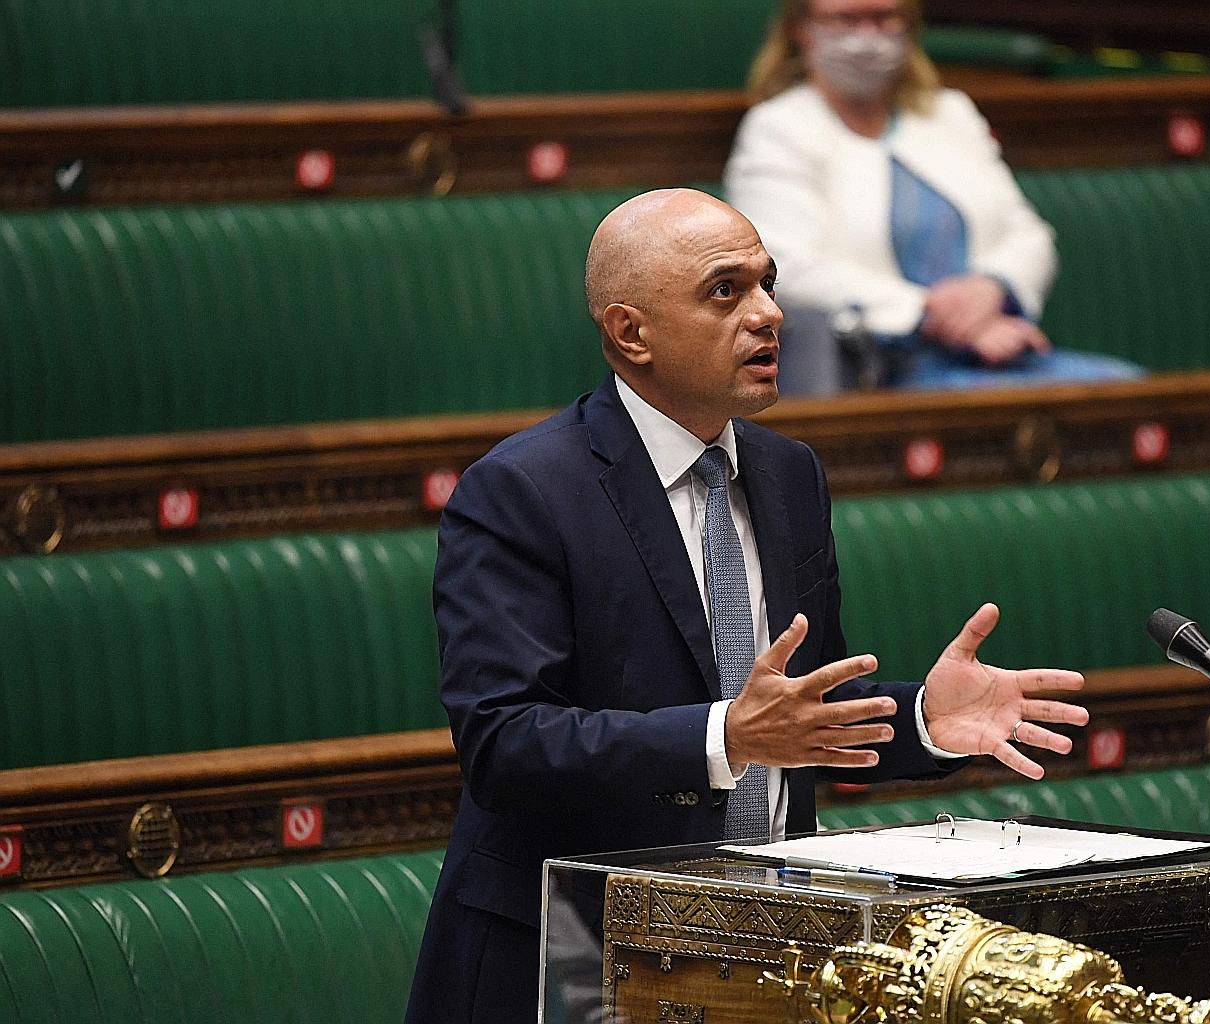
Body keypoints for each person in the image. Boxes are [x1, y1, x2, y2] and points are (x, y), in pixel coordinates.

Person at [403, 188, 1091, 1023]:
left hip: (756, 956)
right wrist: (722, 736)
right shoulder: (523, 491)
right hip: (565, 959)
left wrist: (921, 721)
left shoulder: (788, 474)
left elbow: (800, 715)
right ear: (630, 332)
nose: (768, 314)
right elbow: (504, 743)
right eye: (725, 291)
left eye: (768, 283)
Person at [723, 0, 1143, 393]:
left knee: (1126, 388)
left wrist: (993, 288)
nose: (868, 36)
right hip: (873, 373)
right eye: (847, 20)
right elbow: (788, 268)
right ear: (802, 29)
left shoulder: (950, 113)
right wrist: (933, 314)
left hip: (998, 348)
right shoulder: (777, 128)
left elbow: (1028, 233)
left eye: (885, 18)